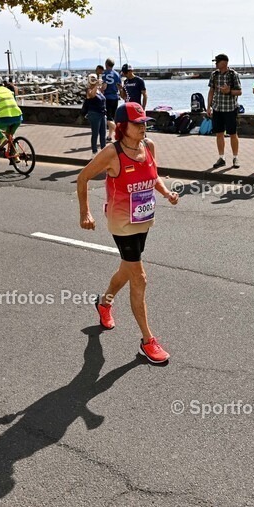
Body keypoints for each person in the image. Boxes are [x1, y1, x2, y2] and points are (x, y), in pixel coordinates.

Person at [76, 102, 179, 364]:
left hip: (143, 219)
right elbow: (83, 177)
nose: (143, 127)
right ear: (123, 126)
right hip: (121, 222)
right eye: (138, 123)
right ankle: (147, 341)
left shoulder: (149, 146)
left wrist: (166, 193)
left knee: (127, 269)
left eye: (145, 122)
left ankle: (104, 303)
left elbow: (153, 175)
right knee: (140, 277)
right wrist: (85, 213)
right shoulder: (112, 152)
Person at [206, 53, 243, 168]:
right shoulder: (214, 75)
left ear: (224, 62)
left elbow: (239, 92)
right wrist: (208, 106)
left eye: (217, 61)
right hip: (217, 109)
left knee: (233, 134)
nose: (215, 64)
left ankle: (235, 157)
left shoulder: (233, 75)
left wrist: (229, 91)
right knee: (219, 134)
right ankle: (221, 157)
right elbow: (211, 91)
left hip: (230, 109)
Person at [83, 71, 107, 154]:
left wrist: (103, 82)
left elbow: (104, 90)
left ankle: (104, 151)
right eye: (92, 79)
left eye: (95, 78)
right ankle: (94, 151)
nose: (94, 80)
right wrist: (96, 85)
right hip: (94, 114)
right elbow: (92, 95)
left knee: (103, 134)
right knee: (95, 133)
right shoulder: (89, 90)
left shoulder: (98, 90)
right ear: (89, 80)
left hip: (102, 114)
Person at [101, 58, 122, 141]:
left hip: (107, 97)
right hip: (115, 97)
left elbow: (104, 86)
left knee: (108, 118)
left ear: (106, 64)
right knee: (112, 118)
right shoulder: (117, 74)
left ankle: (119, 132)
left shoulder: (104, 74)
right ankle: (109, 137)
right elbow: (119, 86)